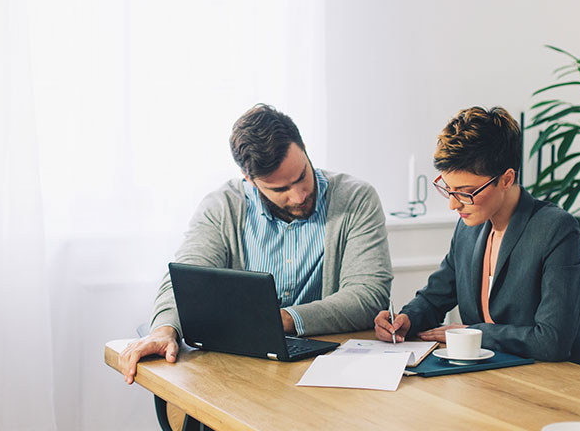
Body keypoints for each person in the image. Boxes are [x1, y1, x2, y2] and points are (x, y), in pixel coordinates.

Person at [120, 104, 393, 383]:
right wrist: (164, 329)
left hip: (330, 370)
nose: (299, 196)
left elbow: (367, 295)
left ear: (305, 149)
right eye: (280, 189)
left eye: (301, 176)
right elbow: (185, 280)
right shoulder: (223, 207)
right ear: (249, 180)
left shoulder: (356, 199)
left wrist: (282, 320)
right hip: (238, 372)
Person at [374, 106, 580, 372]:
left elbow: (551, 341)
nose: (453, 204)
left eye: (466, 192)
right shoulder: (469, 228)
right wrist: (406, 319)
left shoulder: (555, 229)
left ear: (506, 179)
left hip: (566, 384)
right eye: (448, 189)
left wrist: (474, 333)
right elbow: (434, 298)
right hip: (498, 376)